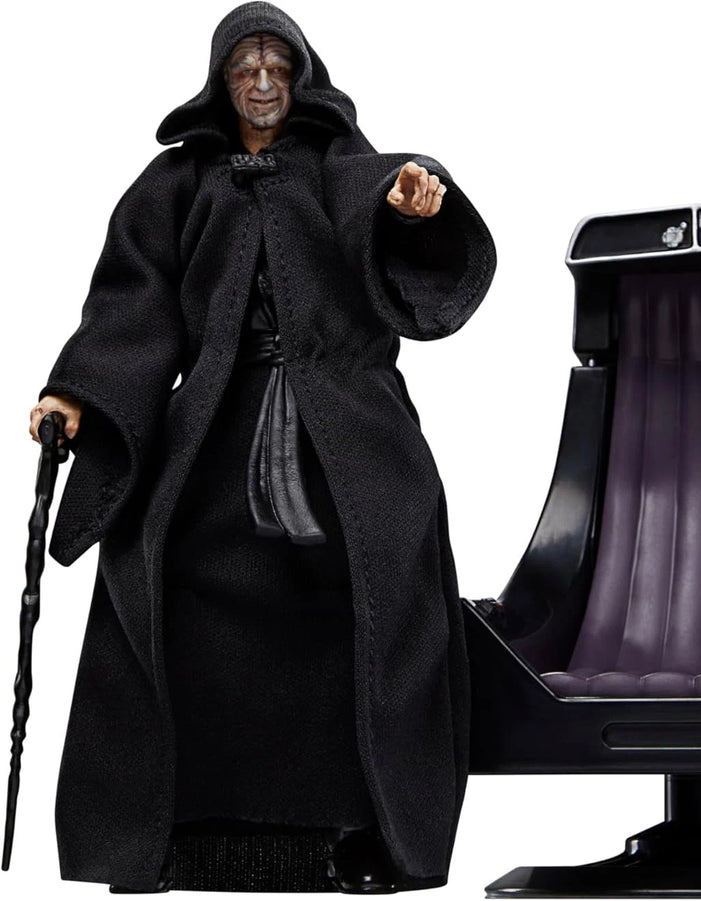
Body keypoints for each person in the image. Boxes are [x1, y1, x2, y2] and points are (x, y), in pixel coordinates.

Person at [27, 2, 496, 893]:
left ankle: (364, 834)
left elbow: (385, 200)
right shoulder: (178, 182)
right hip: (210, 429)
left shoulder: (338, 164)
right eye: (246, 66)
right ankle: (178, 831)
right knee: (164, 583)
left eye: (278, 65)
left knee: (373, 597)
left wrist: (413, 204)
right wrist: (79, 390)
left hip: (347, 432)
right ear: (221, 81)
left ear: (302, 78)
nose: (263, 81)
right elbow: (132, 300)